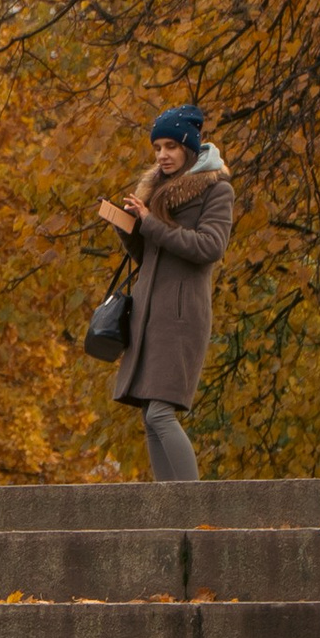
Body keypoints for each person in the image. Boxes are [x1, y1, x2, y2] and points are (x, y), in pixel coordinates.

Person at [98, 107, 234, 485]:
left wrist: (151, 223)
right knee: (150, 416)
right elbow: (149, 257)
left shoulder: (216, 189)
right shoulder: (156, 190)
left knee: (160, 413)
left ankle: (191, 502)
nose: (162, 155)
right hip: (149, 316)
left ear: (188, 147)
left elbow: (210, 247)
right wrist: (128, 226)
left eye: (171, 146)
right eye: (157, 147)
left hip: (180, 317)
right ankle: (169, 504)